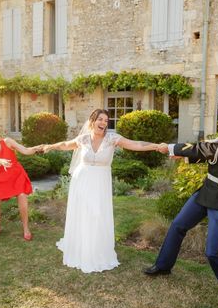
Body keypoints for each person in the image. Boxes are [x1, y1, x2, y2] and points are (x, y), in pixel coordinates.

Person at [146, 101, 218, 308]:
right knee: (178, 225)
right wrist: (185, 156)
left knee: (214, 252)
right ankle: (163, 266)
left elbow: (207, 148)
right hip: (208, 191)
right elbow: (214, 156)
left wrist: (171, 147)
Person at [42, 108, 161, 273]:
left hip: (100, 185)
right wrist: (50, 146)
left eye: (106, 120)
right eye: (100, 119)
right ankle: (82, 249)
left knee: (98, 215)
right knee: (84, 214)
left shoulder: (112, 139)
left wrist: (156, 146)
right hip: (81, 182)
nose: (104, 123)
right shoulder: (83, 139)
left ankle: (97, 251)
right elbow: (65, 145)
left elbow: (136, 144)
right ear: (93, 121)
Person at [0, 125, 40, 241]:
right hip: (0, 178)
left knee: (22, 196)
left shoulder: (7, 142)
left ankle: (26, 227)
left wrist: (38, 148)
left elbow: (25, 150)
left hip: (16, 175)